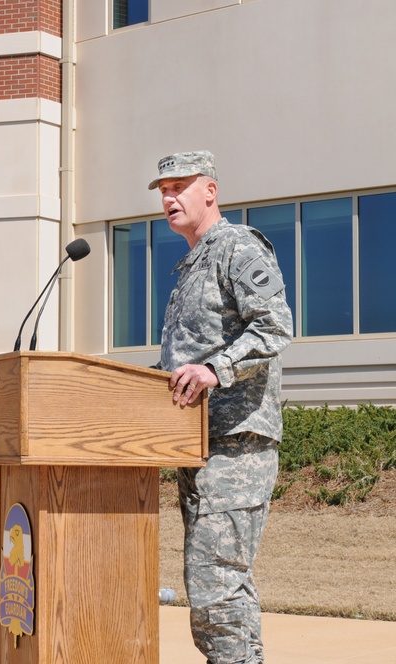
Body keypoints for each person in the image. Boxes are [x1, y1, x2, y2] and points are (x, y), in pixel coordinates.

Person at [150, 151, 292, 663]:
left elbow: (275, 325)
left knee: (215, 587)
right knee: (220, 583)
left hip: (237, 445)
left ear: (210, 190)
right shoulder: (191, 265)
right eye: (163, 190)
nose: (169, 197)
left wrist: (216, 369)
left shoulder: (236, 246)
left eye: (180, 186)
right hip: (197, 446)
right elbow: (184, 357)